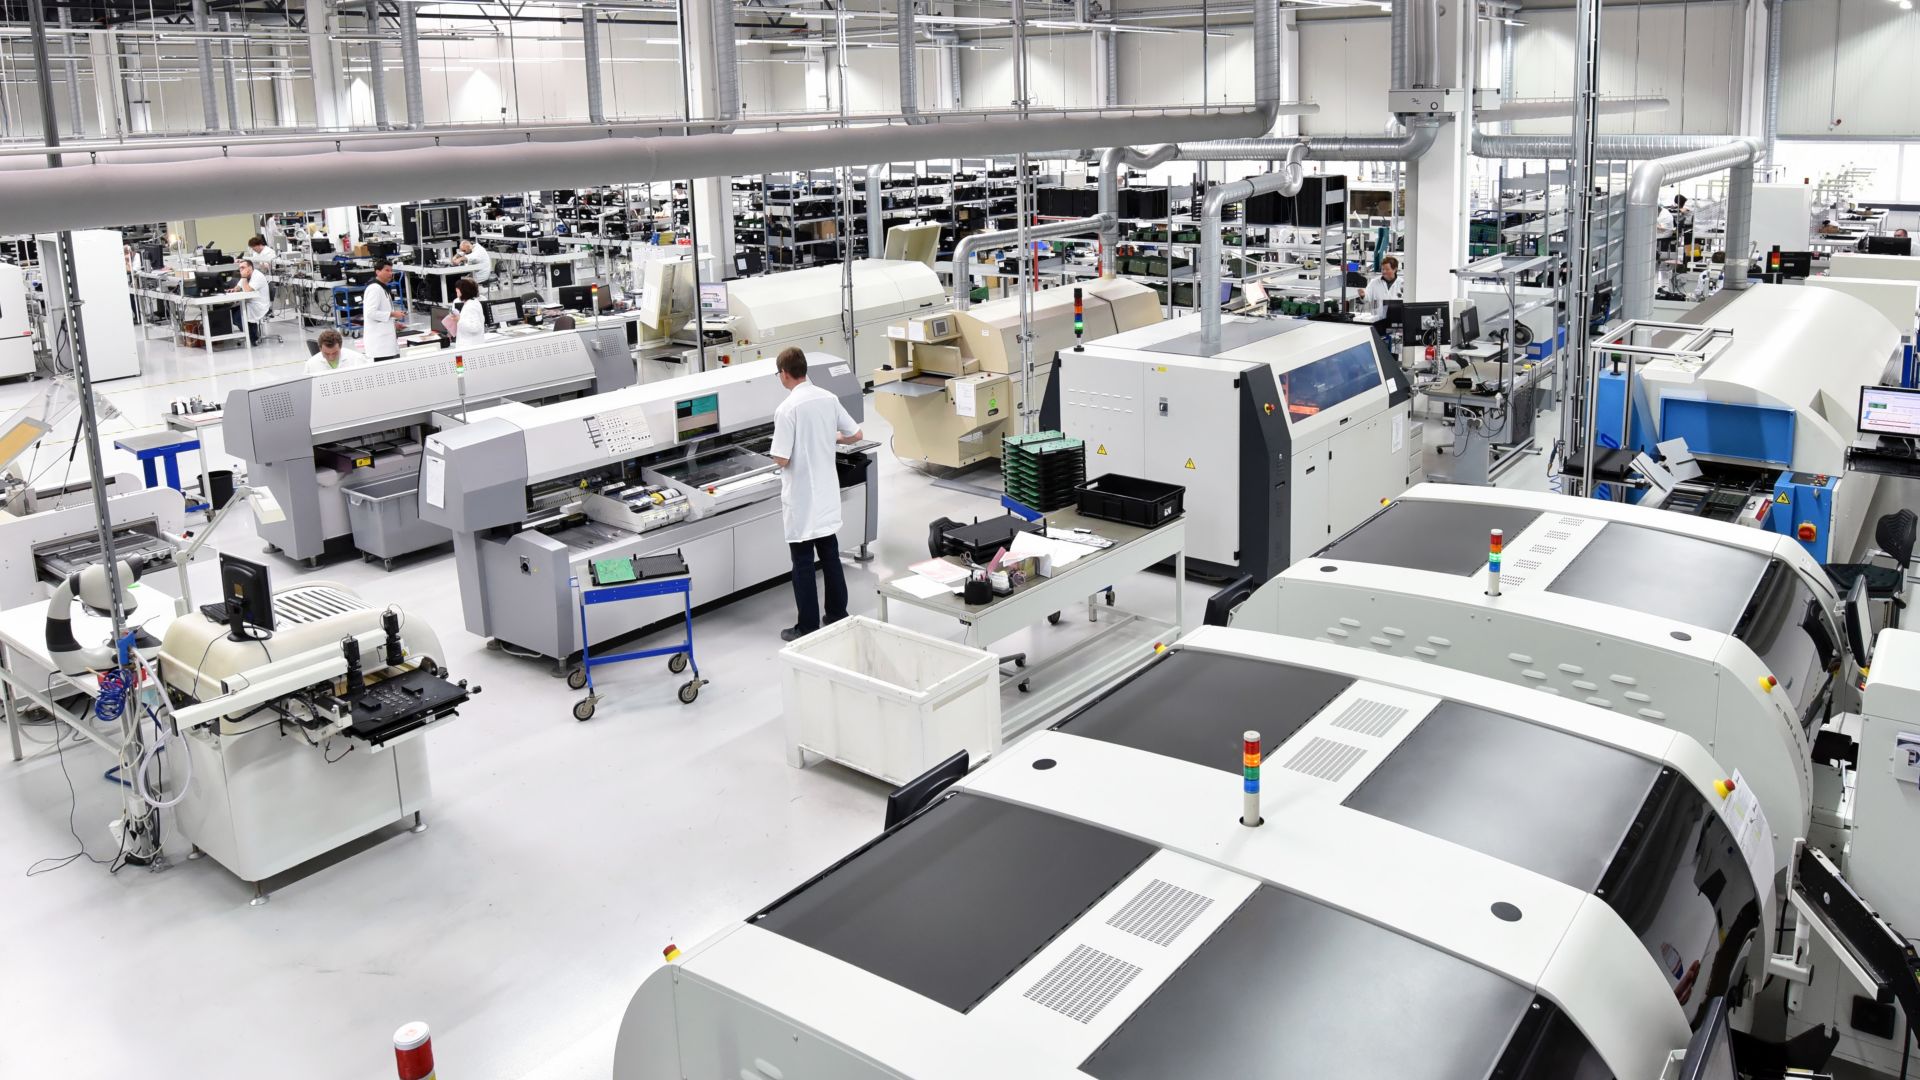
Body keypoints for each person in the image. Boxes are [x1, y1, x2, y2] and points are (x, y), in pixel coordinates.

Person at [770, 347, 863, 642]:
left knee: (803, 563)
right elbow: (856, 434)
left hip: (801, 499)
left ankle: (807, 625)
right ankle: (837, 614)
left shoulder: (787, 409)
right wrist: (830, 436)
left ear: (784, 373)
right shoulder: (828, 397)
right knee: (831, 555)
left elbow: (782, 459)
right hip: (825, 494)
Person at [362, 259, 404, 360]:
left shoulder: (382, 287)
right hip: (379, 344)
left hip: (385, 341)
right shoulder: (374, 289)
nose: (390, 273)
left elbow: (381, 311)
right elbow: (371, 313)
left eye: (391, 270)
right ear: (378, 272)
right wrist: (393, 314)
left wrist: (393, 324)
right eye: (387, 270)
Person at [235, 257, 270, 346]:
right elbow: (237, 287)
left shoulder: (257, 276)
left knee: (238, 316)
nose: (241, 269)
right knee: (234, 312)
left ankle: (253, 337)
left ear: (250, 268)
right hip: (250, 303)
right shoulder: (246, 275)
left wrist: (243, 276)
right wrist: (233, 290)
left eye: (243, 267)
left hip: (259, 305)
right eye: (240, 268)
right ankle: (252, 334)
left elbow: (247, 290)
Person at [305, 328, 371, 374]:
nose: (331, 357)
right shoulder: (310, 365)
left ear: (340, 347)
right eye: (326, 354)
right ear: (320, 349)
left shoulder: (358, 359)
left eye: (335, 353)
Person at [446, 276, 486, 347]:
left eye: (458, 291)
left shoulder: (471, 305)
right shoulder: (470, 303)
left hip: (470, 346)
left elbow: (475, 327)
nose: (457, 293)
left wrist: (459, 320)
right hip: (468, 344)